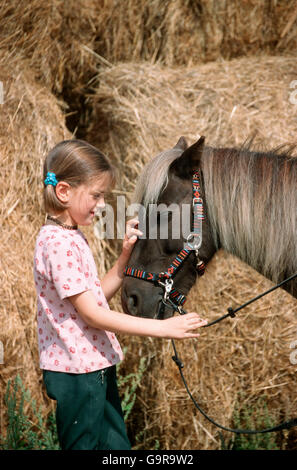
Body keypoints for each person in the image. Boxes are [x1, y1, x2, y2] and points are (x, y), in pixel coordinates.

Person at [33, 139, 208, 450]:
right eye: (96, 195)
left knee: (117, 449)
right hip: (75, 374)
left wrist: (125, 257)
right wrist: (162, 328)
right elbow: (92, 314)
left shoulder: (71, 237)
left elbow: (94, 296)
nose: (102, 205)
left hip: (94, 366)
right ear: (63, 192)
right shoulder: (56, 243)